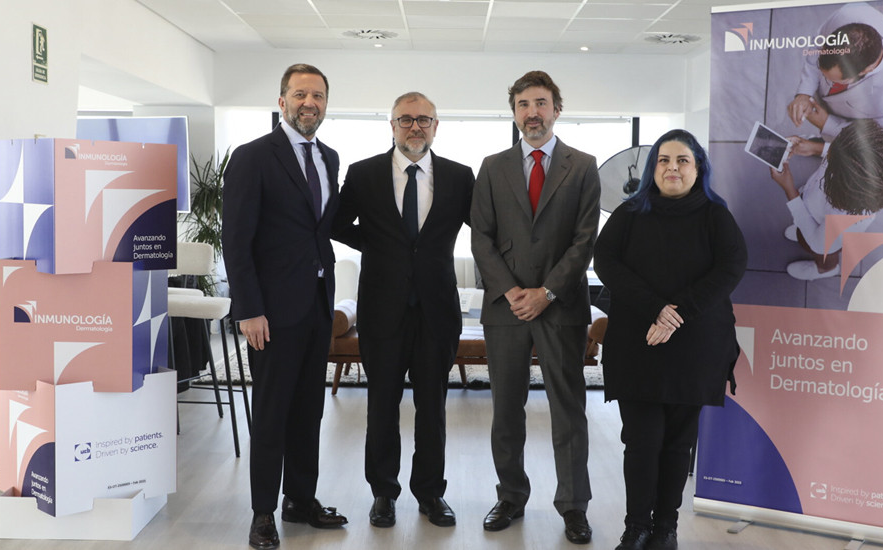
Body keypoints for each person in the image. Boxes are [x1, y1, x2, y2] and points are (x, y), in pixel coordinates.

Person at [594, 129, 747, 550]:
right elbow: (605, 261)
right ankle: (636, 527)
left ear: (698, 168)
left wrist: (676, 313)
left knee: (678, 445)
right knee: (640, 443)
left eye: (682, 160)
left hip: (695, 347)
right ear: (652, 168)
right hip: (638, 343)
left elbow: (731, 267)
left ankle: (665, 529)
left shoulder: (716, 215)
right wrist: (655, 308)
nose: (672, 168)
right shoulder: (630, 212)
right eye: (663, 160)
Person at [332, 92, 474, 529]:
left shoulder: (459, 176)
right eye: (406, 119)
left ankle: (430, 493)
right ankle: (383, 493)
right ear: (392, 125)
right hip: (382, 309)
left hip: (437, 310)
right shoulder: (363, 173)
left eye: (424, 120)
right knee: (382, 405)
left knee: (433, 407)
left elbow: (486, 229)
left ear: (436, 126)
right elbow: (336, 222)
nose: (415, 127)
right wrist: (375, 245)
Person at [470, 70, 600, 545]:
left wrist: (546, 292)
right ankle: (510, 497)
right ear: (514, 112)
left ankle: (574, 505)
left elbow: (585, 240)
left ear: (556, 110)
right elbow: (480, 237)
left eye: (541, 103)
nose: (532, 113)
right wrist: (511, 291)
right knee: (506, 410)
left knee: (568, 410)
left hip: (561, 307)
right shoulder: (492, 166)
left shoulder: (583, 166)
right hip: (506, 309)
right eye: (523, 104)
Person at [222, 63, 347, 550]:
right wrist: (248, 309)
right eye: (300, 94)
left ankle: (300, 499)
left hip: (317, 305)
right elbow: (236, 240)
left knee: (308, 411)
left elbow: (321, 228)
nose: (309, 103)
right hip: (270, 313)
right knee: (272, 413)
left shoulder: (330, 157)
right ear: (282, 102)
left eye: (317, 95)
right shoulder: (253, 157)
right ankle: (262, 513)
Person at [769, 118, 883, 280]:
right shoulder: (850, 172)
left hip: (824, 237)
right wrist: (815, 148)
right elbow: (844, 154)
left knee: (821, 250)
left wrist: (789, 189)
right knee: (806, 227)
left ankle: (826, 268)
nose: (831, 153)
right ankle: (804, 227)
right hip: (817, 210)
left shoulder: (843, 218)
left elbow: (818, 245)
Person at [787, 2, 883, 141]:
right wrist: (804, 93)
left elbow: (882, 141)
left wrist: (827, 125)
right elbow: (817, 43)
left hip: (853, 140)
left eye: (836, 80)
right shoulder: (847, 15)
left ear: (867, 70)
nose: (825, 81)